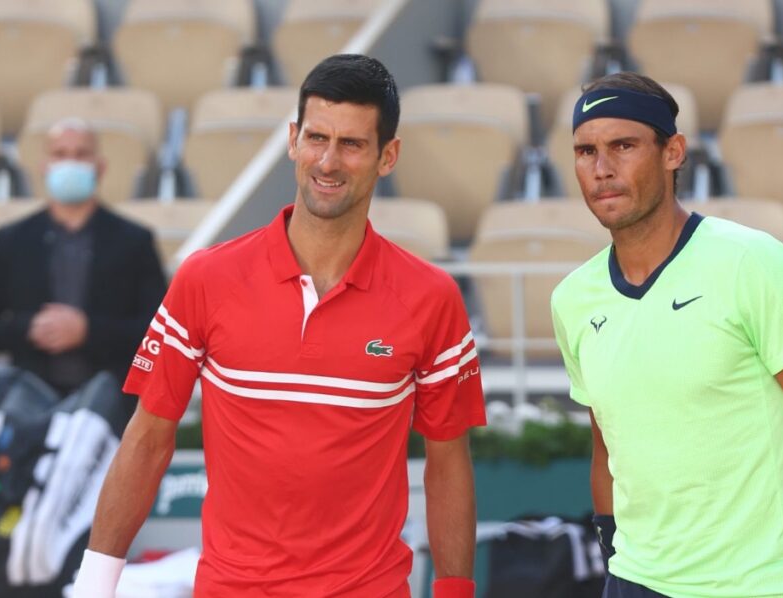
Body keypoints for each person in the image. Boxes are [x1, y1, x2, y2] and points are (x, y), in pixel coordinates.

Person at [72, 55, 486, 597]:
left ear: (389, 156)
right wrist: (94, 586)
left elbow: (448, 463)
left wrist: (454, 593)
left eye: (352, 144)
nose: (328, 162)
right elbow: (147, 439)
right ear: (292, 140)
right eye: (316, 137)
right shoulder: (206, 278)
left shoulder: (430, 297)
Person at [550, 72, 783, 597]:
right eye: (585, 151)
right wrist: (615, 564)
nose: (601, 169)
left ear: (673, 152)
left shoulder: (754, 265)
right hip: (634, 583)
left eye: (623, 146)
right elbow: (609, 447)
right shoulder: (572, 299)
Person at [0, 118, 166, 397]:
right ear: (44, 166)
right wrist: (29, 329)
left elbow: (158, 329)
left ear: (100, 166)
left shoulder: (134, 240)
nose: (70, 162)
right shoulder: (12, 239)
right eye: (60, 154)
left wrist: (88, 331)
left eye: (81, 154)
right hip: (28, 402)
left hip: (110, 400)